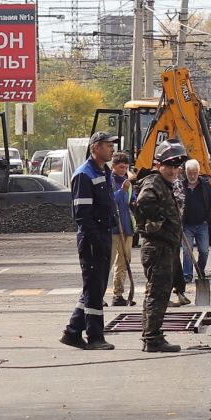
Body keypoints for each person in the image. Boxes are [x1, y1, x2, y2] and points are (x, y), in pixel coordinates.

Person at [60, 131, 120, 351]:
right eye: (107, 145)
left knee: (94, 288)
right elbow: (82, 214)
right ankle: (95, 336)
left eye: (112, 145)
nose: (112, 149)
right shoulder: (84, 174)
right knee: (94, 291)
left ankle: (73, 332)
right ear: (95, 148)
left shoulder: (104, 171)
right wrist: (95, 239)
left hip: (103, 235)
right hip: (92, 238)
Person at [131, 143, 186, 353]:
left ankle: (151, 335)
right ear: (158, 165)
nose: (173, 170)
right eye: (168, 166)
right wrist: (157, 220)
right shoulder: (154, 182)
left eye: (176, 166)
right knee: (158, 294)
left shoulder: (164, 183)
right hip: (158, 247)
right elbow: (144, 201)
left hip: (164, 247)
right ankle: (152, 338)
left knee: (156, 293)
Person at [179, 157, 211, 303]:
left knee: (204, 251)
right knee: (187, 252)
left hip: (202, 224)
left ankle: (200, 271)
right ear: (186, 173)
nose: (193, 176)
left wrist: (208, 218)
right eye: (190, 173)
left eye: (195, 173)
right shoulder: (181, 187)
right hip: (187, 225)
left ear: (198, 172)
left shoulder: (206, 187)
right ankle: (187, 275)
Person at [109, 155, 136, 307]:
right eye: (121, 167)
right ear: (114, 166)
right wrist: (121, 191)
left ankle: (118, 295)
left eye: (126, 167)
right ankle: (97, 295)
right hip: (114, 228)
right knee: (109, 262)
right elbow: (110, 200)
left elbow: (130, 199)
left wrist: (135, 200)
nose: (123, 170)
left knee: (124, 262)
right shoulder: (110, 181)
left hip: (126, 227)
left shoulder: (128, 183)